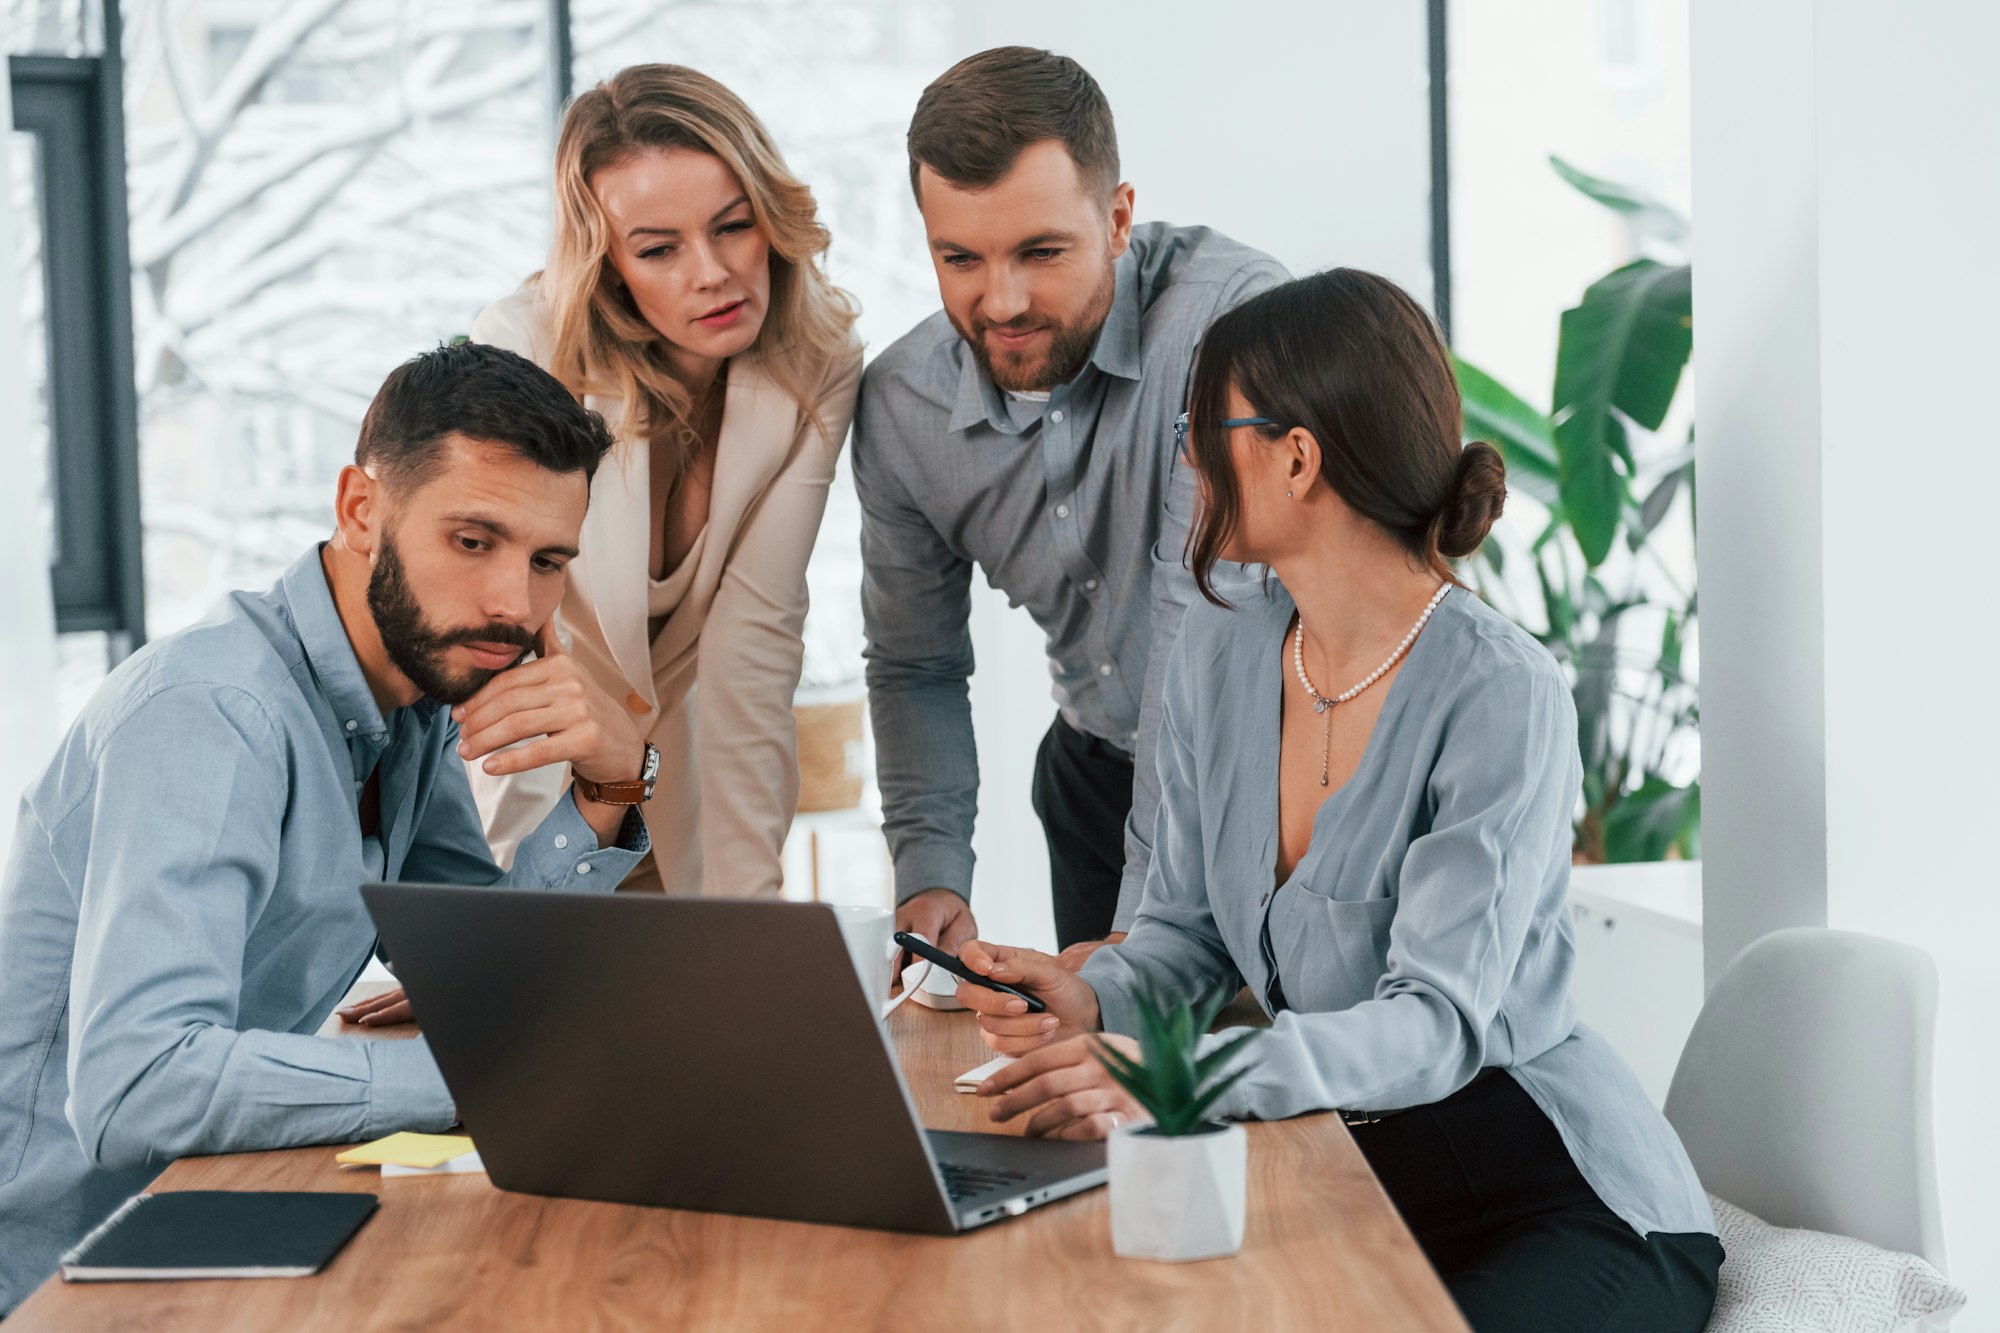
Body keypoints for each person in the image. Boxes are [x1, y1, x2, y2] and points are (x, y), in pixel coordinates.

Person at [948, 272, 1723, 1331]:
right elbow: (1185, 933)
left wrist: (1178, 1076)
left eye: (1198, 425)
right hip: (1351, 1165)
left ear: (1295, 456)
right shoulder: (1221, 650)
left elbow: (1437, 1022)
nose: (1183, 455)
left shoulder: (1499, 691)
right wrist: (1090, 999)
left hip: (1553, 1192)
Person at [0, 343, 657, 1312]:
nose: (514, 606)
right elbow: (138, 1084)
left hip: (212, 1215)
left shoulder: (406, 703)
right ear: (360, 510)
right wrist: (497, 1079)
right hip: (57, 1272)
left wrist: (606, 786)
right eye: (473, 541)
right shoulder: (216, 712)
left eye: (546, 560)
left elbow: (473, 971)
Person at [856, 47, 1287, 961]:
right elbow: (915, 663)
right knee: (1108, 1096)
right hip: (1094, 783)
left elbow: (1200, 628)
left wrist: (1142, 938)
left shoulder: (1232, 326)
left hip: (1273, 781)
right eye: (960, 258)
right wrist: (930, 870)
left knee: (1289, 1092)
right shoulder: (903, 406)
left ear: (1120, 217)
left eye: (1040, 252)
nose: (1001, 300)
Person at [468, 64, 863, 898]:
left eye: (733, 225)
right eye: (659, 249)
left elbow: (753, 642)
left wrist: (750, 914)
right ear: (609, 263)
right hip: (531, 782)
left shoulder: (819, 363)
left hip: (682, 790)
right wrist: (507, 916)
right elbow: (503, 644)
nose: (712, 271)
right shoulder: (526, 350)